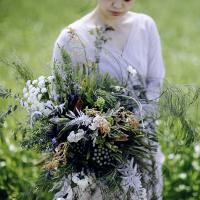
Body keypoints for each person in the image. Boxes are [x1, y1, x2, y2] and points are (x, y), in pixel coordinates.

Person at [52, 0, 165, 199]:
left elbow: (155, 83)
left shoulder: (145, 27)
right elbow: (59, 102)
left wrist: (133, 124)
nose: (118, 4)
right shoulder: (70, 38)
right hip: (92, 160)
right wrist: (97, 133)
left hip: (141, 149)